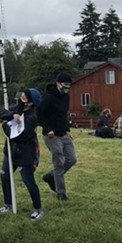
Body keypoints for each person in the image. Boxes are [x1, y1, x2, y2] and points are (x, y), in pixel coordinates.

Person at [0, 88, 43, 220]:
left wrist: (5, 126)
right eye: (24, 94)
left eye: (26, 96)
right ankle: (8, 205)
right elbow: (1, 112)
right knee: (4, 177)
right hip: (10, 151)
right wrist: (12, 116)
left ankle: (38, 210)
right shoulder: (17, 107)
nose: (23, 96)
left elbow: (19, 136)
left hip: (25, 153)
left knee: (28, 181)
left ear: (31, 102)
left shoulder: (32, 117)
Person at [38, 72, 77, 202]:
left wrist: (67, 129)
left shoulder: (66, 97)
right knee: (59, 163)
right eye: (65, 85)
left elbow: (63, 114)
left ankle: (50, 176)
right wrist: (47, 128)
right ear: (58, 84)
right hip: (52, 136)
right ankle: (61, 193)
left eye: (69, 85)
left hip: (63, 133)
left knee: (71, 159)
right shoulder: (48, 97)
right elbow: (39, 113)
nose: (67, 87)